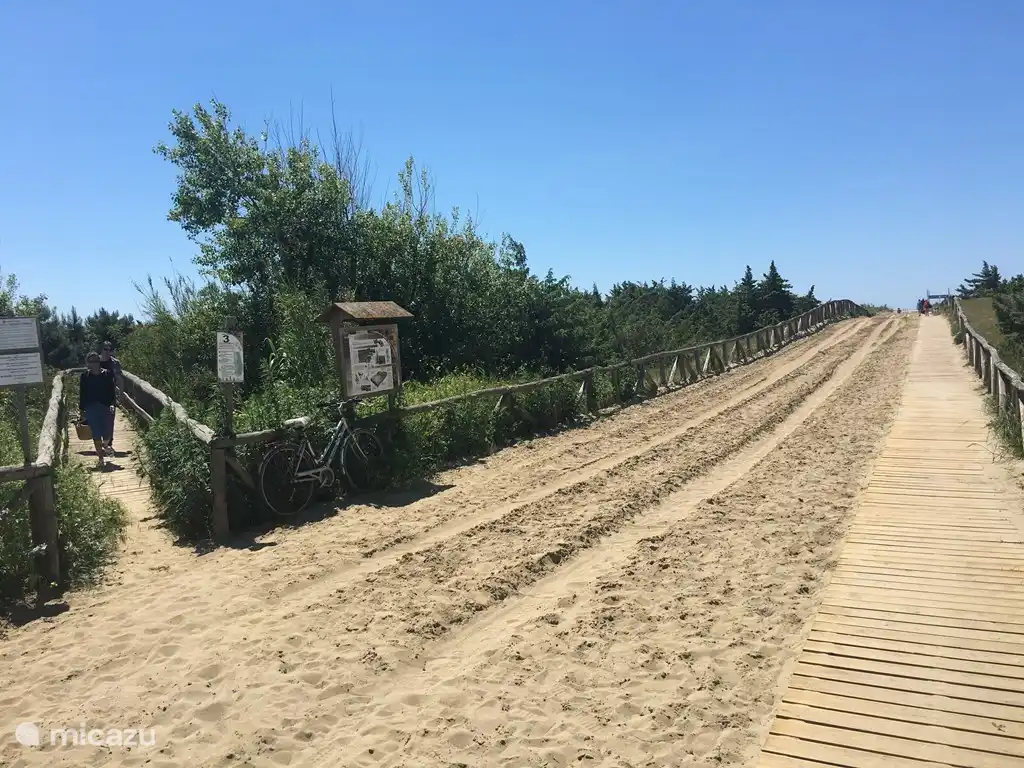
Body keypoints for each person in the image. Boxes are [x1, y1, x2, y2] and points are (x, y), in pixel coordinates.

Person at [79, 352, 117, 469]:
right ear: (88, 363)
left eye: (96, 361)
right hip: (91, 407)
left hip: (106, 406)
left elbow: (112, 391)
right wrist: (81, 409)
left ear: (99, 362)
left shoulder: (107, 374)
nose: (94, 363)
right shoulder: (85, 376)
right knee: (96, 433)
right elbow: (82, 394)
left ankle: (105, 446)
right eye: (91, 361)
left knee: (107, 432)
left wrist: (113, 404)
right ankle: (100, 459)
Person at [98, 341, 123, 455]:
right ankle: (101, 443)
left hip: (110, 395)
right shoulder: (95, 361)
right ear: (101, 349)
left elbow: (120, 378)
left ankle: (108, 443)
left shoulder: (115, 363)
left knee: (110, 419)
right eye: (105, 349)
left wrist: (121, 393)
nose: (107, 352)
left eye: (110, 349)